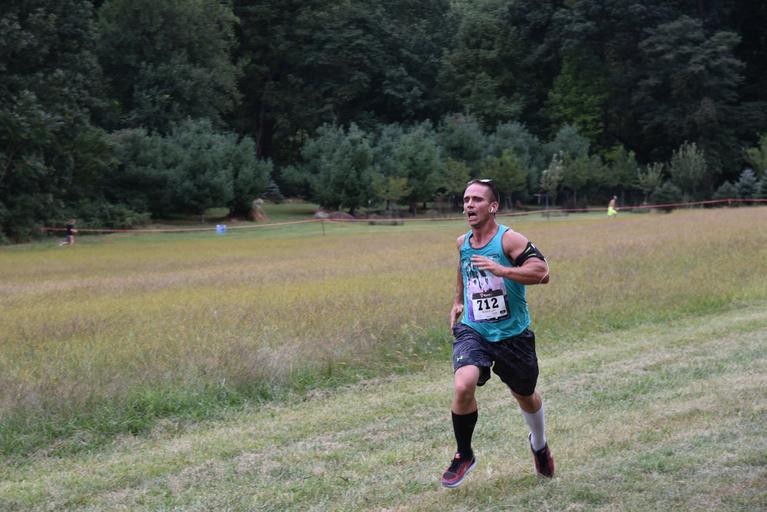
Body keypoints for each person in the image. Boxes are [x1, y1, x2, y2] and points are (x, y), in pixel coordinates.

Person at [441, 179, 554, 488]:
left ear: (493, 207)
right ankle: (464, 454)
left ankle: (539, 444)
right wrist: (458, 300)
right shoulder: (462, 242)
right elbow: (464, 268)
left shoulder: (509, 240)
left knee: (525, 395)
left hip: (512, 335)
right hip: (474, 329)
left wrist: (503, 270)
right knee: (463, 384)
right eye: (466, 199)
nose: (469, 204)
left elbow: (542, 272)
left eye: (477, 199)